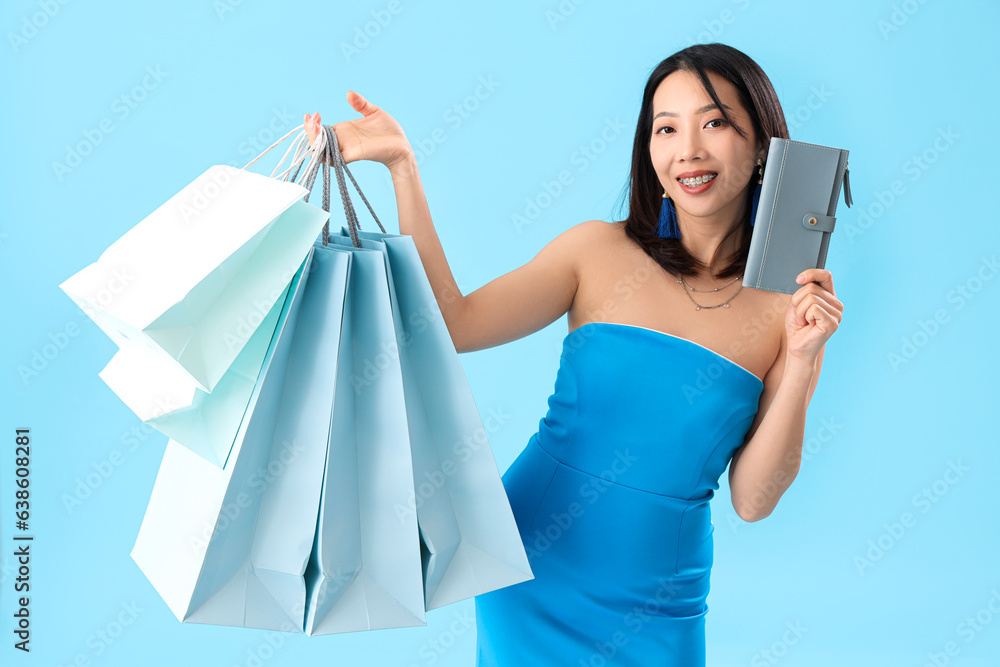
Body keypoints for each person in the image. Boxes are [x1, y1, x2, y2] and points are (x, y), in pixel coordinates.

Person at [304, 41, 843, 666]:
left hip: (661, 601)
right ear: (649, 152)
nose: (688, 150)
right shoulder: (596, 252)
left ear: (761, 150)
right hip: (535, 564)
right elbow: (453, 322)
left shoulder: (791, 311)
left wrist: (802, 359)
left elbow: (753, 500)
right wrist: (402, 165)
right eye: (665, 128)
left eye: (715, 122)